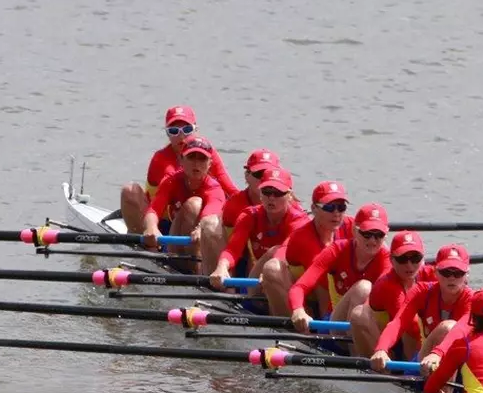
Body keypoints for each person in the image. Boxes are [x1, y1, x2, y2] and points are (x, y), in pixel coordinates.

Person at [121, 105, 237, 232]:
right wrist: (152, 226)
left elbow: (230, 189)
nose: (181, 136)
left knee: (195, 205)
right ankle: (143, 237)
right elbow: (170, 191)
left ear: (195, 129)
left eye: (187, 129)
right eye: (174, 131)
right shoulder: (162, 160)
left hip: (195, 214)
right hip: (163, 216)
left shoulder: (209, 153)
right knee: (129, 191)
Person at [287, 203, 391, 333]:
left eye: (379, 235)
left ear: (385, 236)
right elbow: (299, 287)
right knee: (363, 288)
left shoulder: (387, 259)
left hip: (368, 325)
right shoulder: (337, 250)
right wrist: (298, 309)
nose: (373, 241)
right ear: (354, 231)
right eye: (367, 234)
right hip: (334, 325)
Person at [260, 181, 355, 317]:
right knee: (271, 267)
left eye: (341, 207)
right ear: (314, 209)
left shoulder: (353, 227)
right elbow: (323, 285)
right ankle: (308, 328)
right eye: (329, 207)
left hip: (335, 290)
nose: (336, 213)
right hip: (307, 294)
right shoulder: (303, 238)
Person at [368, 244, 473, 367]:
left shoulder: (472, 299)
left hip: (459, 362)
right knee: (445, 327)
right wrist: (381, 348)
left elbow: (460, 330)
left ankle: (443, 385)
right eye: (446, 272)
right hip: (425, 360)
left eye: (458, 273)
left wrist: (438, 353)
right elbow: (398, 323)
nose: (451, 278)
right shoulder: (421, 291)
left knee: (450, 327)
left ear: (467, 274)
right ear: (436, 272)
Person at [210, 167, 309, 295]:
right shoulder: (249, 215)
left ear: (289, 195)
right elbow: (233, 249)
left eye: (278, 193)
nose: (271, 198)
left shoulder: (299, 221)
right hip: (256, 281)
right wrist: (222, 267)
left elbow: (285, 249)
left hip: (287, 278)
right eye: (267, 191)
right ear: (260, 193)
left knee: (274, 251)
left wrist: (269, 272)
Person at [140, 135, 227, 273]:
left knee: (196, 206)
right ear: (181, 160)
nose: (196, 164)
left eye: (202, 159)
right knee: (193, 205)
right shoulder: (170, 181)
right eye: (191, 157)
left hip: (201, 247)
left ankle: (198, 273)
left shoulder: (214, 188)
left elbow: (211, 212)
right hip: (176, 242)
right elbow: (154, 210)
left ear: (210, 163)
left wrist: (199, 229)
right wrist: (151, 227)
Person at [348, 231, 435, 357]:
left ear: (423, 259)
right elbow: (411, 326)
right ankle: (398, 370)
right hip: (387, 344)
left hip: (410, 339)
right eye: (402, 259)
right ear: (391, 260)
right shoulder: (388, 284)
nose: (409, 265)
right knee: (358, 315)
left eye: (415, 258)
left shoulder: (435, 274)